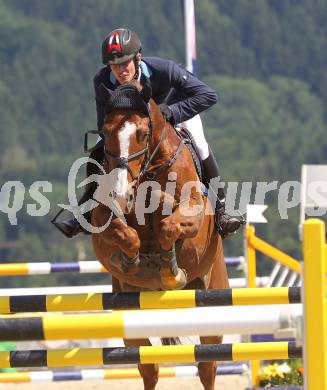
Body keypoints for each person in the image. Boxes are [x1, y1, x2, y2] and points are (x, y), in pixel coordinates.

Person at [54, 28, 242, 239]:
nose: (120, 71)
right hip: (131, 127)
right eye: (114, 66)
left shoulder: (164, 70)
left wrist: (172, 112)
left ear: (138, 58)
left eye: (125, 63)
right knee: (98, 150)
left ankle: (221, 211)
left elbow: (208, 95)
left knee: (199, 144)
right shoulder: (102, 81)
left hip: (175, 113)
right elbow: (103, 121)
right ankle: (86, 211)